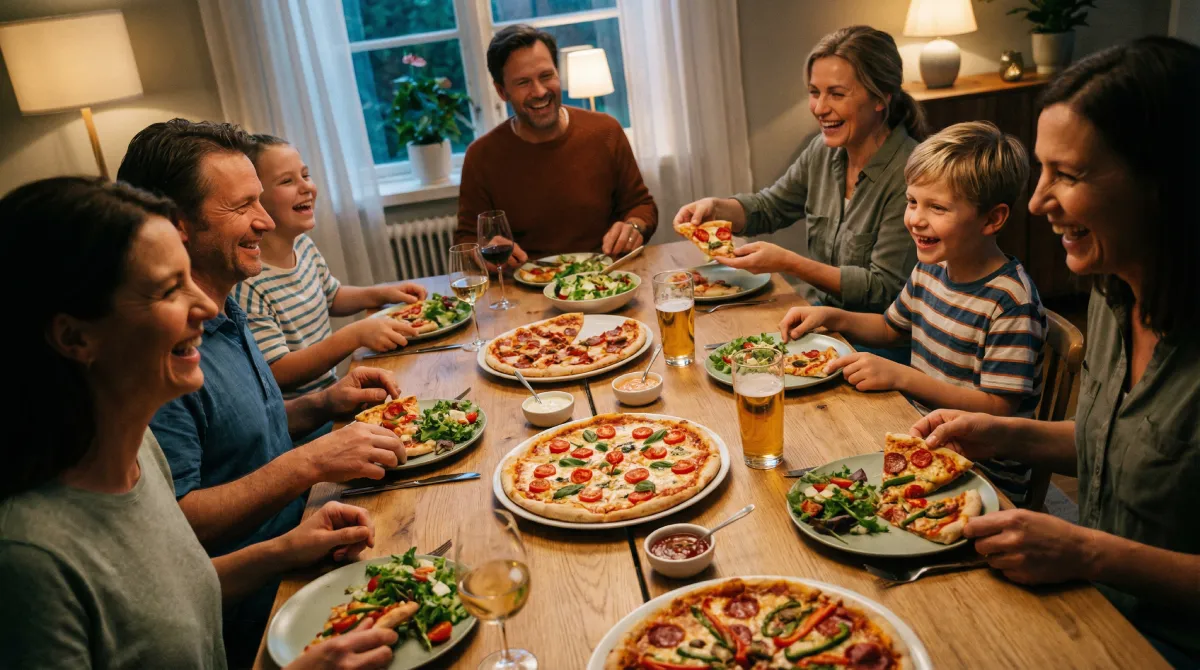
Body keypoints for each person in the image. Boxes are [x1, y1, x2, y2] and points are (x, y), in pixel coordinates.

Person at [0, 177, 398, 670]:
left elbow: (171, 596)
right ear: (75, 338)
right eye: (169, 289)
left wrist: (284, 550)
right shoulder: (29, 561)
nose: (208, 307)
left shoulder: (139, 448)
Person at [910, 38, 1200, 665]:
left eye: (1067, 175)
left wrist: (1085, 550)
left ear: (1164, 183)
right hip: (1086, 605)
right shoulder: (1111, 296)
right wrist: (1001, 432)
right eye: (1042, 171)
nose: (1039, 201)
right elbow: (1120, 444)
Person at [116, 119, 408, 660]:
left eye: (261, 200)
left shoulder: (227, 301)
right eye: (241, 207)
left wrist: (323, 403)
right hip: (265, 605)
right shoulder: (163, 356)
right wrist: (309, 463)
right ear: (177, 225)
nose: (265, 220)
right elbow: (179, 526)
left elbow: (247, 432)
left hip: (315, 529)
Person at [780, 121, 1046, 504]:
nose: (916, 219)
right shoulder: (932, 268)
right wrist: (833, 317)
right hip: (919, 434)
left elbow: (997, 409)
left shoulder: (1010, 302)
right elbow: (890, 328)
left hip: (982, 471)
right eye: (912, 201)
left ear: (992, 219)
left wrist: (902, 376)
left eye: (937, 207)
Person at [674, 25, 925, 318]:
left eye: (836, 94)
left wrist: (789, 262)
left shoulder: (912, 173)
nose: (819, 108)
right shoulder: (822, 151)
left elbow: (881, 289)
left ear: (881, 98)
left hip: (878, 340)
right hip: (819, 315)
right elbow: (769, 207)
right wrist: (716, 208)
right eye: (814, 92)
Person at [234, 133, 429, 397]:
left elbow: (332, 296)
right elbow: (278, 373)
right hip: (309, 418)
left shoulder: (303, 246)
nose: (306, 187)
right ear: (255, 198)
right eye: (287, 181)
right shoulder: (249, 284)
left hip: (336, 394)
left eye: (306, 175)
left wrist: (381, 293)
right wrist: (353, 336)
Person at [454, 23, 657, 265]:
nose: (539, 91)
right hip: (524, 286)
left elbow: (642, 206)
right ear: (502, 91)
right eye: (523, 83)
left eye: (546, 76)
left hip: (606, 279)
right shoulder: (481, 156)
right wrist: (483, 250)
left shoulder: (606, 131)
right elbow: (466, 239)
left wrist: (633, 226)